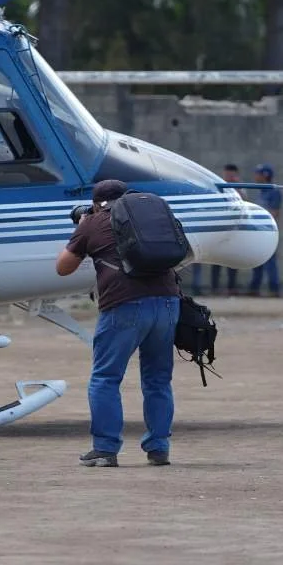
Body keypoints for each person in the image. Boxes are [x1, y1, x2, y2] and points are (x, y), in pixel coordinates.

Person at [56, 179, 180, 466]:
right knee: (158, 379)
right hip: (167, 302)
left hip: (125, 305)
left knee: (105, 378)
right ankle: (159, 448)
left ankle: (105, 448)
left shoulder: (93, 222)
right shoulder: (150, 217)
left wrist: (81, 228)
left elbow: (63, 267)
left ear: (97, 202)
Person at [196, 164, 243, 296]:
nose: (228, 176)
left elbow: (244, 204)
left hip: (234, 231)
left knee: (232, 261)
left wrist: (236, 187)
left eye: (231, 174)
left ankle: (231, 287)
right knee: (216, 261)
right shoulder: (219, 188)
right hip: (220, 228)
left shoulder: (239, 189)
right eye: (227, 174)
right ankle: (215, 287)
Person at [242, 164, 283, 296]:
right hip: (258, 231)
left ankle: (274, 288)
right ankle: (254, 288)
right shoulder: (261, 191)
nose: (255, 177)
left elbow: (275, 212)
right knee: (257, 260)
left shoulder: (274, 191)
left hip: (267, 232)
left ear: (265, 175)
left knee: (270, 261)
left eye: (258, 174)